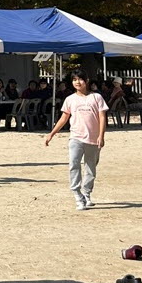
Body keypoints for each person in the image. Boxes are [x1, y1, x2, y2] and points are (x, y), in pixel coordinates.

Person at [44, 68, 108, 211]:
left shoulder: (96, 97)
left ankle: (86, 193)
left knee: (90, 167)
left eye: (80, 79)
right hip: (76, 137)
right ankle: (77, 194)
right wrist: (52, 133)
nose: (77, 82)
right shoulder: (70, 99)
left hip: (93, 138)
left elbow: (102, 117)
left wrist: (101, 136)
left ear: (86, 81)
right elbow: (64, 118)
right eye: (74, 80)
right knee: (74, 164)